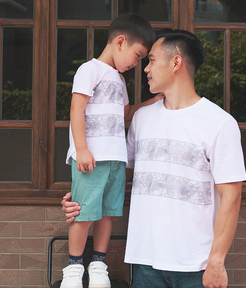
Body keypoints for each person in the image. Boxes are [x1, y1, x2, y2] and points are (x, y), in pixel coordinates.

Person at [62, 29, 246, 288]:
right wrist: (84, 192)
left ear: (176, 62)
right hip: (144, 261)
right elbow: (117, 173)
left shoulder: (220, 123)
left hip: (195, 265)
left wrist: (216, 261)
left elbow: (232, 196)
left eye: (150, 60)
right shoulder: (141, 118)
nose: (145, 69)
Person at [61, 13, 163, 288]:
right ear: (120, 41)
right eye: (138, 55)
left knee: (107, 213)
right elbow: (76, 108)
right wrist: (81, 148)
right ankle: (73, 268)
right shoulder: (89, 69)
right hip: (92, 158)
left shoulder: (119, 80)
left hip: (116, 159)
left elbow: (126, 112)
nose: (136, 63)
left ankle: (98, 265)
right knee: (84, 213)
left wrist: (153, 102)